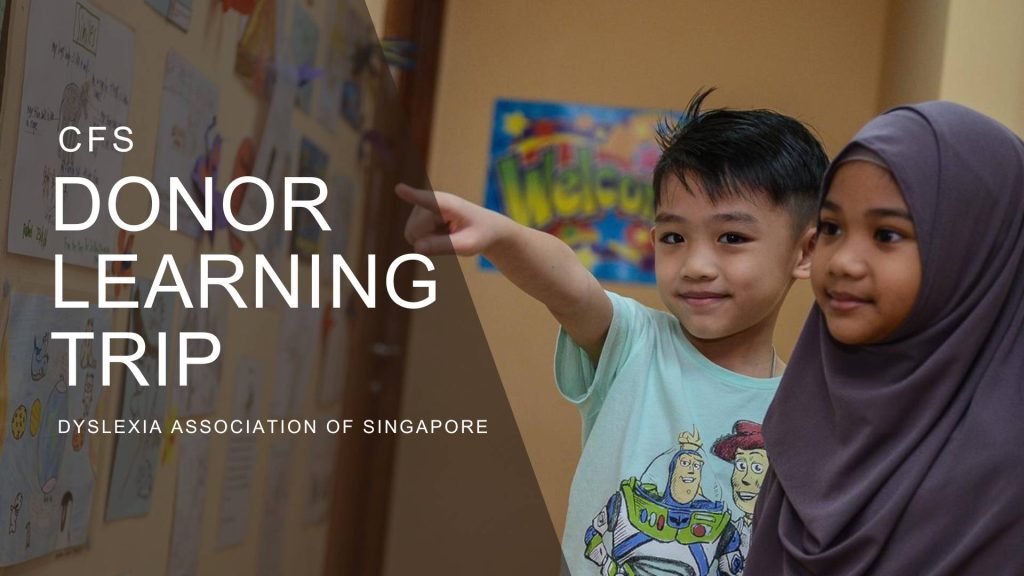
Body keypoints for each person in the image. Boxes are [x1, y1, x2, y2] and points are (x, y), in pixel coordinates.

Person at [397, 89, 827, 576]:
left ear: (806, 251)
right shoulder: (634, 345)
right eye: (674, 238)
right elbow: (570, 285)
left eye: (732, 238)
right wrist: (501, 235)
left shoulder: (810, 413)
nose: (696, 265)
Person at [745, 101, 1024, 575]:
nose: (842, 262)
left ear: (975, 250)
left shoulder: (1005, 464)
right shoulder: (807, 418)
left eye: (888, 235)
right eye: (831, 228)